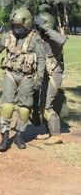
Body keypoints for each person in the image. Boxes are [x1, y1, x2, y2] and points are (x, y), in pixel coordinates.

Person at [0, 7, 45, 152]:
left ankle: (20, 135)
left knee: (24, 109)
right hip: (10, 74)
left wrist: (39, 78)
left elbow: (41, 59)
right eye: (14, 26)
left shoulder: (36, 38)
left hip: (26, 76)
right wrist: (0, 43)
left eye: (19, 26)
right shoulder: (8, 36)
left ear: (27, 24)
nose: (17, 29)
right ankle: (4, 137)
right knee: (7, 106)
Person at [33, 12, 67, 145]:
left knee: (47, 106)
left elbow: (62, 39)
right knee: (42, 106)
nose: (37, 29)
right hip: (46, 74)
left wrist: (47, 29)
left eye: (40, 27)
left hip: (54, 74)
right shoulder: (43, 38)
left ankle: (56, 135)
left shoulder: (55, 38)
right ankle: (48, 132)